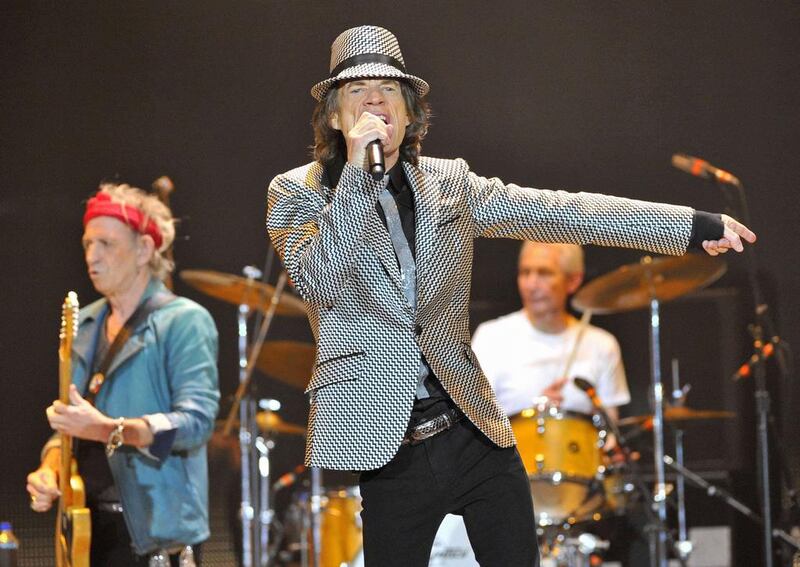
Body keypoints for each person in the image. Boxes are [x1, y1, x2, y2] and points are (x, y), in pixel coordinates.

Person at [265, 25, 755, 567]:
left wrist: (686, 226)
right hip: (388, 449)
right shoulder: (296, 192)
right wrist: (358, 179)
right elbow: (320, 283)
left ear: (409, 114)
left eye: (389, 88)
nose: (375, 99)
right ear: (335, 116)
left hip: (472, 430)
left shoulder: (448, 183)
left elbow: (558, 211)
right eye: (357, 90)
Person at [26, 183, 220, 566]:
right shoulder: (86, 322)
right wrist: (49, 470)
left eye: (106, 244)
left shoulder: (184, 321)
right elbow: (70, 425)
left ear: (145, 250)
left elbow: (196, 423)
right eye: (87, 244)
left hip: (155, 536)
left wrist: (107, 429)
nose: (91, 257)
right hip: (87, 532)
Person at [472, 242, 629, 421]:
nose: (531, 285)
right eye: (525, 272)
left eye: (544, 273)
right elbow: (472, 419)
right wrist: (533, 414)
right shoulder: (491, 337)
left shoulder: (601, 344)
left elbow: (610, 429)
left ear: (573, 281)